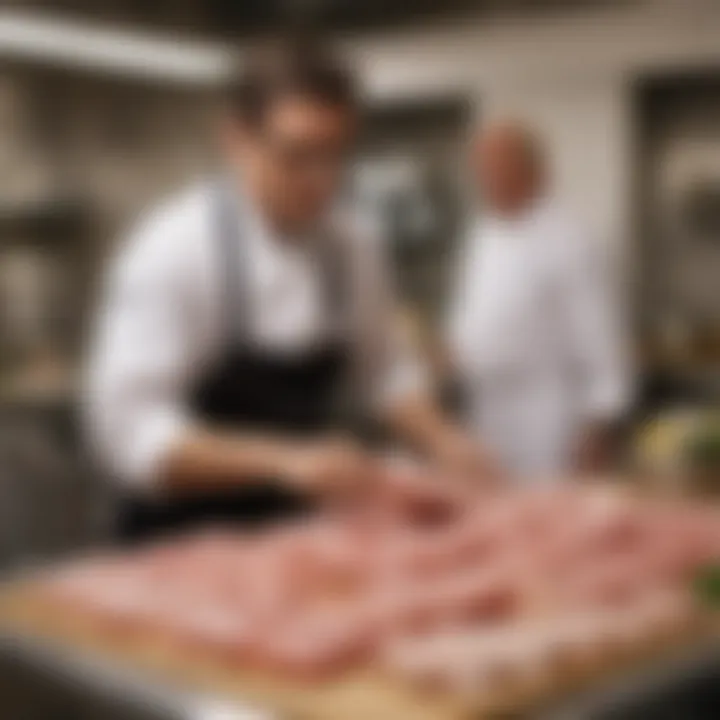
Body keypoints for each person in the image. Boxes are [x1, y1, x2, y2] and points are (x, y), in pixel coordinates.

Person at [86, 39, 490, 542]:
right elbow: (130, 433)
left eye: (335, 155)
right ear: (235, 139)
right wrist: (283, 461)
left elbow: (384, 369)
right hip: (177, 544)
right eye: (297, 155)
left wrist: (445, 441)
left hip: (290, 541)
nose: (321, 180)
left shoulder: (352, 246)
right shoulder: (174, 249)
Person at [448, 121, 630, 479]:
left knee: (548, 513)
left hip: (548, 414)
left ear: (533, 170)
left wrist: (601, 421)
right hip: (486, 407)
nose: (484, 177)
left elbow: (598, 333)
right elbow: (479, 313)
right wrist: (455, 349)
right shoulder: (482, 233)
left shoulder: (569, 237)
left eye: (495, 165)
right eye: (480, 168)